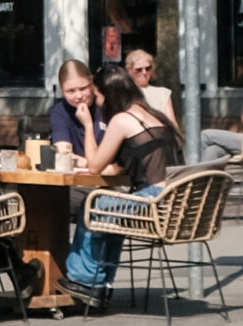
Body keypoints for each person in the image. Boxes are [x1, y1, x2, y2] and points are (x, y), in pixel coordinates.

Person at [61, 68, 183, 305]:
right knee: (110, 209)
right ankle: (103, 282)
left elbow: (95, 166)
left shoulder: (123, 119)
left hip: (153, 200)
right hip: (173, 198)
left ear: (108, 94)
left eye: (97, 96)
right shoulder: (153, 115)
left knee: (94, 204)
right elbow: (124, 165)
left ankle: (86, 280)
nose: (96, 102)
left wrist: (87, 125)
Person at [49, 60, 108, 161]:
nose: (79, 96)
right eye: (71, 91)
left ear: (91, 83)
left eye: (83, 88)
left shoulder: (104, 104)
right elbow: (64, 156)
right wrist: (88, 125)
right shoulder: (60, 111)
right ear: (62, 91)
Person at [126, 50, 177, 123]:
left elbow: (172, 123)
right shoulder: (125, 93)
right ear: (130, 71)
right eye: (139, 70)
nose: (144, 72)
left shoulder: (162, 93)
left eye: (148, 68)